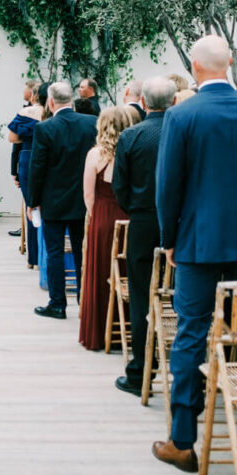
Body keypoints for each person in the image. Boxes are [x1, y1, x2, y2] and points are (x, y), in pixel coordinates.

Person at [153, 35, 237, 474]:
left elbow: (169, 185)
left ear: (194, 66)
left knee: (190, 334)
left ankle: (183, 441)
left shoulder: (182, 114)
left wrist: (169, 239)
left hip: (198, 245)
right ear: (229, 64)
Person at [112, 76, 176, 397]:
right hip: (180, 223)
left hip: (142, 222)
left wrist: (136, 209)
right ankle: (184, 369)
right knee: (179, 293)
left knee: (141, 296)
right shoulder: (183, 133)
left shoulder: (131, 136)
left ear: (145, 103)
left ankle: (140, 372)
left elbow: (119, 188)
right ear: (174, 102)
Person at [28, 81, 97, 319]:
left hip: (53, 200)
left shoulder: (45, 128)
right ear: (72, 100)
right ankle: (84, 299)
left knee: (55, 251)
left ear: (50, 102)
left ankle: (58, 303)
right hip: (83, 199)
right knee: (81, 249)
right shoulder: (91, 124)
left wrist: (32, 201)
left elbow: (38, 168)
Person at [78, 106, 135, 350]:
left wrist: (95, 216)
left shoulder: (95, 155)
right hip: (128, 218)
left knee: (100, 271)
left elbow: (88, 195)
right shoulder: (135, 151)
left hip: (102, 218)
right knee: (126, 272)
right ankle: (128, 329)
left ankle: (100, 331)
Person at [8, 82, 43, 268]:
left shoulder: (25, 114)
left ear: (33, 96)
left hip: (28, 157)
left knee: (32, 206)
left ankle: (34, 258)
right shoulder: (51, 114)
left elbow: (12, 138)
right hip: (49, 158)